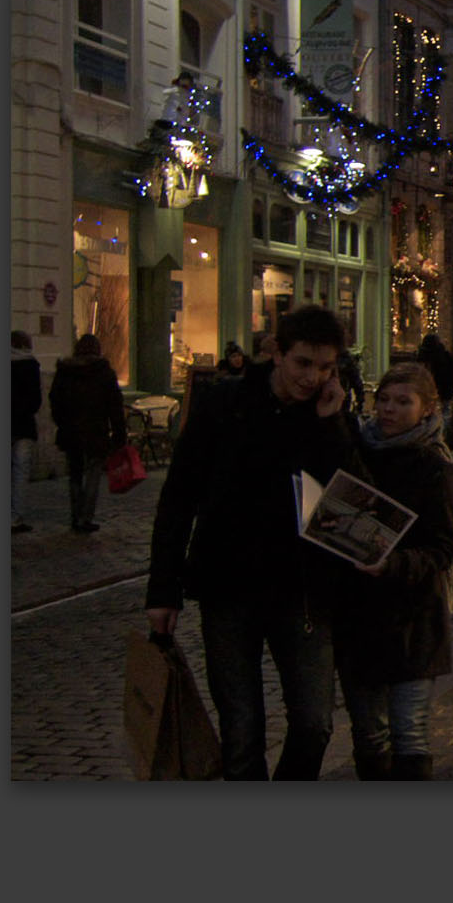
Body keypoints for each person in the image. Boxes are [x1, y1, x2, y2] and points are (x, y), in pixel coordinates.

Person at [145, 305, 361, 780]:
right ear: (277, 353)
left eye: (326, 367)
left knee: (314, 723)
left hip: (303, 591)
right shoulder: (225, 404)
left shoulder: (330, 415)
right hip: (229, 586)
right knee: (241, 730)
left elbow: (348, 499)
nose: (313, 377)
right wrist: (163, 588)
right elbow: (180, 496)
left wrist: (331, 425)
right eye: (304, 363)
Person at [332, 363, 453, 780]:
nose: (388, 410)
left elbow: (443, 548)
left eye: (402, 402)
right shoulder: (359, 449)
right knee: (370, 736)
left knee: (410, 734)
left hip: (413, 620)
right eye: (384, 400)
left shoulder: (435, 468)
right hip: (360, 616)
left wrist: (394, 564)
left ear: (427, 410)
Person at [48, 333, 127, 535]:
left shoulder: (65, 371)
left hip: (71, 431)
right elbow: (115, 406)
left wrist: (62, 423)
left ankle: (76, 515)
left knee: (75, 474)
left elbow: (55, 401)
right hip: (96, 431)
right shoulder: (103, 372)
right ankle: (86, 517)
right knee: (93, 474)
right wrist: (119, 433)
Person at [12, 331, 42, 535]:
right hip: (23, 426)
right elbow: (35, 401)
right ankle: (15, 517)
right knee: (21, 472)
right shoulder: (30, 365)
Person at [417, 333, 453, 411]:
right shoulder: (444, 355)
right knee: (445, 409)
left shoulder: (424, 356)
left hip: (433, 386)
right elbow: (452, 373)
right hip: (443, 387)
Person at [336, 347, 367, 416]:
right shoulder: (345, 359)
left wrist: (360, 402)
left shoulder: (346, 359)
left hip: (343, 398)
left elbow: (357, 382)